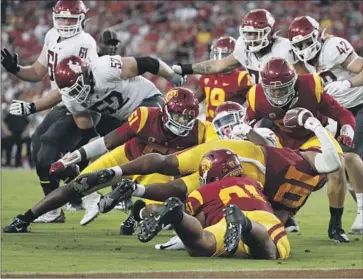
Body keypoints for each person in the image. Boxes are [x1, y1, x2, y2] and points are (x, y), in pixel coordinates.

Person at [3, 107, 341, 240]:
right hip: (245, 171)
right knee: (192, 193)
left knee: (179, 181)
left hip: (243, 166)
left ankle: (132, 192)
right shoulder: (146, 117)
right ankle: (145, 203)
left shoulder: (205, 130)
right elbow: (109, 140)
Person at [1, 0, 101, 223]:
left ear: (82, 19)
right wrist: (16, 69)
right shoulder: (51, 36)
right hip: (64, 102)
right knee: (39, 147)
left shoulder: (84, 42)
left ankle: (87, 195)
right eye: (62, 18)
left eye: (70, 18)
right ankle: (64, 204)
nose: (65, 23)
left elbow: (69, 86)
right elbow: (38, 71)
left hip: (83, 104)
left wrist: (33, 106)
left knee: (47, 150)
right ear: (55, 17)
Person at [50, 87, 203, 231]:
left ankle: (137, 213)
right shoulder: (145, 116)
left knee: (167, 210)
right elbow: (106, 142)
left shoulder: (201, 130)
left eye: (187, 117)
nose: (182, 121)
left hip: (159, 168)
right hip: (130, 157)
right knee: (81, 182)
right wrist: (69, 159)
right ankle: (55, 209)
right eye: (178, 115)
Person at [246, 57, 356, 241]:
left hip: (314, 135)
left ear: (293, 83)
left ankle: (336, 225)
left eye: (282, 88)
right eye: (272, 89)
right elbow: (247, 124)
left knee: (337, 167)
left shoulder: (310, 85)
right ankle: (279, 217)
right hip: (284, 141)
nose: (277, 94)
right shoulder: (255, 96)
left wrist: (347, 128)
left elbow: (341, 113)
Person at [137, 149, 290, 259]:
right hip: (261, 217)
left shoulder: (201, 192)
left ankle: (177, 215)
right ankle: (245, 224)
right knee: (268, 251)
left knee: (201, 244)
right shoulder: (253, 183)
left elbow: (199, 225)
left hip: (224, 220)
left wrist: (183, 231)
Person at [288, 16, 363, 235]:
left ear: (318, 36)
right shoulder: (302, 60)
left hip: (359, 103)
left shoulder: (333, 48)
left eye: (306, 42)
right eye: (298, 44)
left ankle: (361, 209)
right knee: (344, 167)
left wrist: (348, 82)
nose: (303, 48)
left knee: (349, 156)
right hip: (339, 111)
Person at [172, 9, 297, 85]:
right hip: (264, 103)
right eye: (248, 34)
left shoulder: (284, 49)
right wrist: (185, 68)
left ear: (268, 32)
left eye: (254, 34)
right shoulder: (243, 46)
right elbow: (217, 65)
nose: (251, 38)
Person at [196, 36, 252, 121]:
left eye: (225, 57)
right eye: (217, 56)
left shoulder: (242, 77)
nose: (221, 62)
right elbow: (195, 100)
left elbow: (256, 101)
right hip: (209, 126)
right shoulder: (207, 76)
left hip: (232, 126)